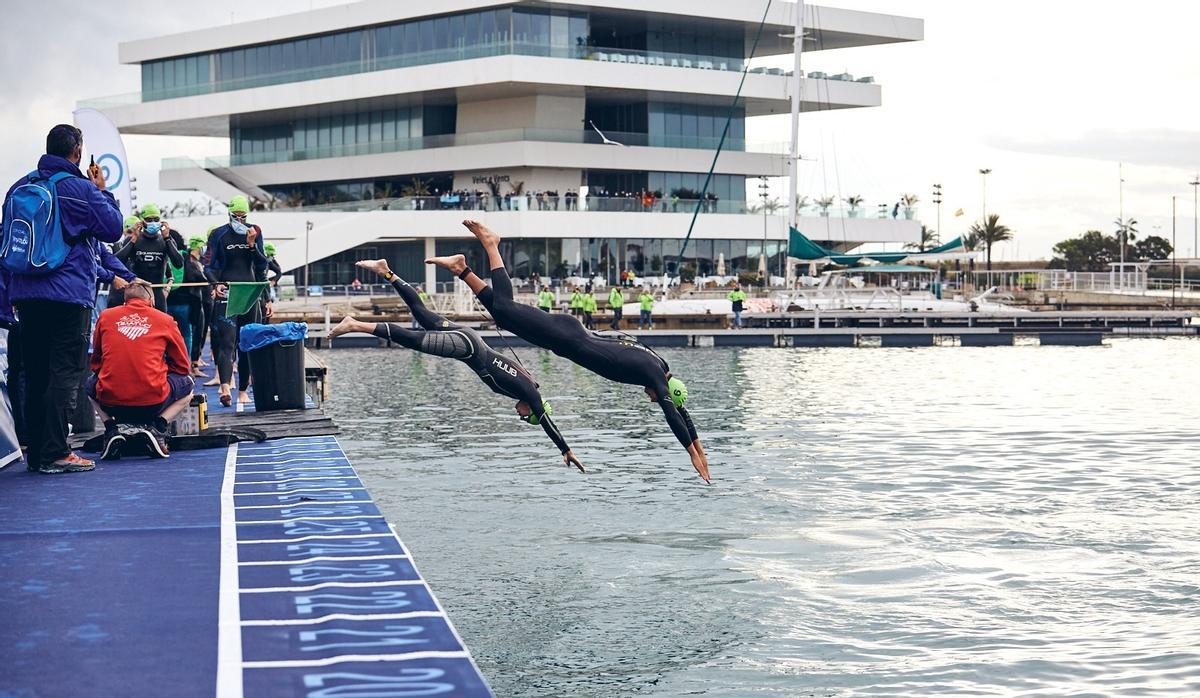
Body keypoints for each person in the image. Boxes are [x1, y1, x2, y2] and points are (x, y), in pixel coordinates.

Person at [426, 220, 710, 482]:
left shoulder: (656, 365)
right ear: (667, 390)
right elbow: (673, 414)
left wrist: (700, 450)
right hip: (565, 335)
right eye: (659, 398)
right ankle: (491, 244)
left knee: (504, 317)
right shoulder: (653, 373)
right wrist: (692, 454)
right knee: (506, 307)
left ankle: (460, 270)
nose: (653, 399)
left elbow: (681, 411)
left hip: (565, 337)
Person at [328, 258, 585, 472]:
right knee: (413, 339)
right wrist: (565, 449)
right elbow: (546, 421)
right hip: (467, 347)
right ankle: (355, 325)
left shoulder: (524, 387)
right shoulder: (529, 393)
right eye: (524, 416)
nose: (518, 415)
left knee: (422, 314)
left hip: (470, 340)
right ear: (530, 408)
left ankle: (387, 272)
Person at [4, 124, 124, 473]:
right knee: (66, 374)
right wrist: (101, 190)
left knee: (36, 374)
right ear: (77, 152)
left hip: (26, 293)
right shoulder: (79, 189)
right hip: (68, 294)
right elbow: (113, 228)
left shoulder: (20, 186)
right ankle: (57, 452)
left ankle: (38, 453)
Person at [88, 282, 195, 459]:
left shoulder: (106, 316)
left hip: (111, 399)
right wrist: (160, 371)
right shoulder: (164, 320)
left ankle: (111, 428)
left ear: (125, 301)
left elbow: (96, 360)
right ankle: (158, 428)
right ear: (151, 300)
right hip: (153, 400)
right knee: (189, 385)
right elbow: (183, 366)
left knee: (89, 384)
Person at [204, 195, 272, 407]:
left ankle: (242, 390)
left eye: (244, 217)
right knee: (227, 342)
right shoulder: (219, 234)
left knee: (247, 344)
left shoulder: (255, 231)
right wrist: (216, 284)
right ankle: (225, 386)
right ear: (229, 215)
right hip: (229, 292)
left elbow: (262, 267)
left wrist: (267, 298)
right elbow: (209, 265)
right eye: (236, 217)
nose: (240, 221)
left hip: (250, 292)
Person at [112, 204, 183, 311]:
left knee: (160, 326)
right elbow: (116, 262)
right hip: (137, 294)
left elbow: (179, 264)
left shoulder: (166, 240)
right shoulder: (133, 240)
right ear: (142, 221)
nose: (153, 222)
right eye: (149, 219)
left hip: (158, 293)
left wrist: (167, 238)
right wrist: (133, 240)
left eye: (156, 219)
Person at [166, 234, 208, 366]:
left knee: (167, 336)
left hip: (166, 302)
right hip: (184, 303)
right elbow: (196, 277)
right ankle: (186, 365)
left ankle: (167, 365)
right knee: (186, 335)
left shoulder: (164, 255)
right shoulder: (185, 258)